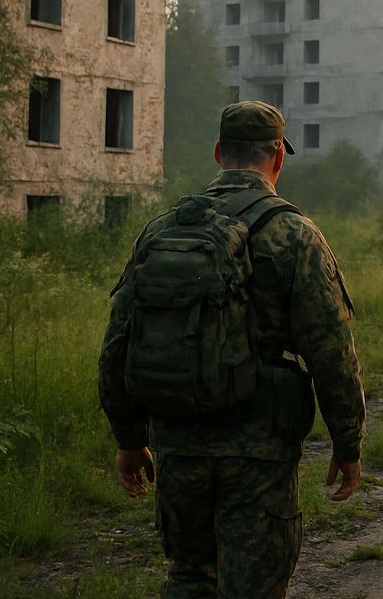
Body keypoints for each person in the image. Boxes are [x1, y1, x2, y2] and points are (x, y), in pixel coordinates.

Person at [98, 101, 366, 599]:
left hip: (178, 441)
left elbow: (118, 343)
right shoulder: (295, 234)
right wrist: (347, 442)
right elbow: (332, 352)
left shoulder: (162, 231)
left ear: (219, 152)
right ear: (277, 160)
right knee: (256, 586)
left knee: (188, 575)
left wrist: (129, 438)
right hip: (259, 450)